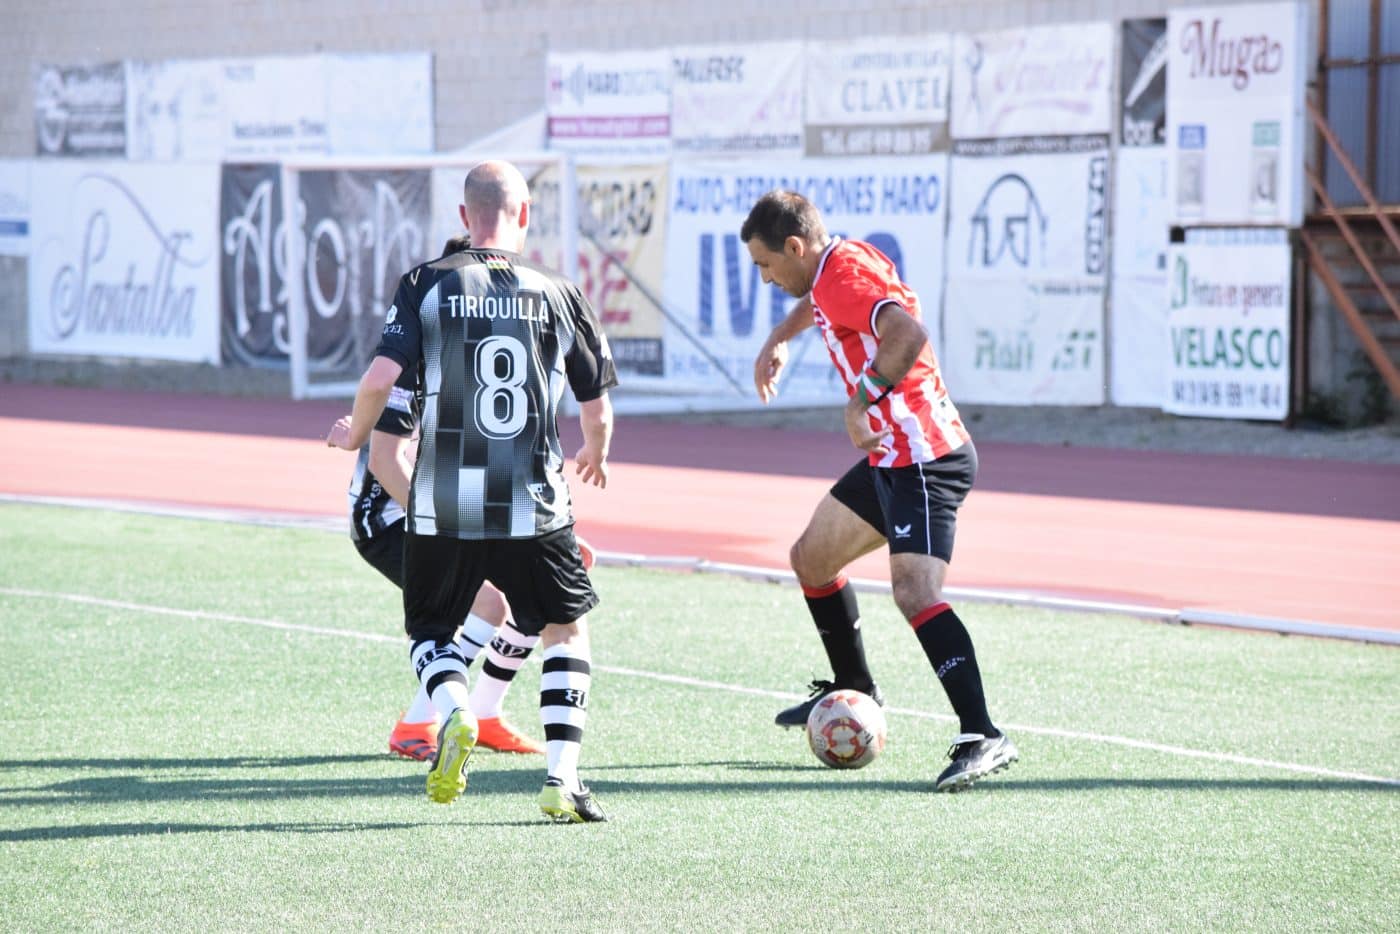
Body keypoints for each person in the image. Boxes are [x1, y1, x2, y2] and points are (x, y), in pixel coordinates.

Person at [328, 160, 617, 822]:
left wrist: (354, 431)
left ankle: (460, 710)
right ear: (525, 215)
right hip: (526, 501)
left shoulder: (427, 294)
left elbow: (377, 382)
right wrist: (595, 452)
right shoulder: (558, 293)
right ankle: (560, 777)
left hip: (443, 503)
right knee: (565, 625)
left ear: (464, 218)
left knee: (436, 627)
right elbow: (596, 409)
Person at [740, 189, 1016, 792]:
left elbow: (908, 335)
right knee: (812, 558)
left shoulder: (838, 277)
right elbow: (817, 300)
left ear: (794, 246)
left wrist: (861, 399)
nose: (765, 278)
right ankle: (856, 688)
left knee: (915, 592)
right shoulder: (834, 266)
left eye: (766, 265)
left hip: (923, 456)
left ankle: (983, 734)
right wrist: (779, 337)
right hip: (892, 456)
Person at [333, 265, 549, 760]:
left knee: (527, 592)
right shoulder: (416, 363)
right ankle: (416, 724)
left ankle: (486, 713)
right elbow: (389, 463)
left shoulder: (479, 361)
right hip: (386, 522)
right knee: (489, 606)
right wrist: (447, 532)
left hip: (442, 514)